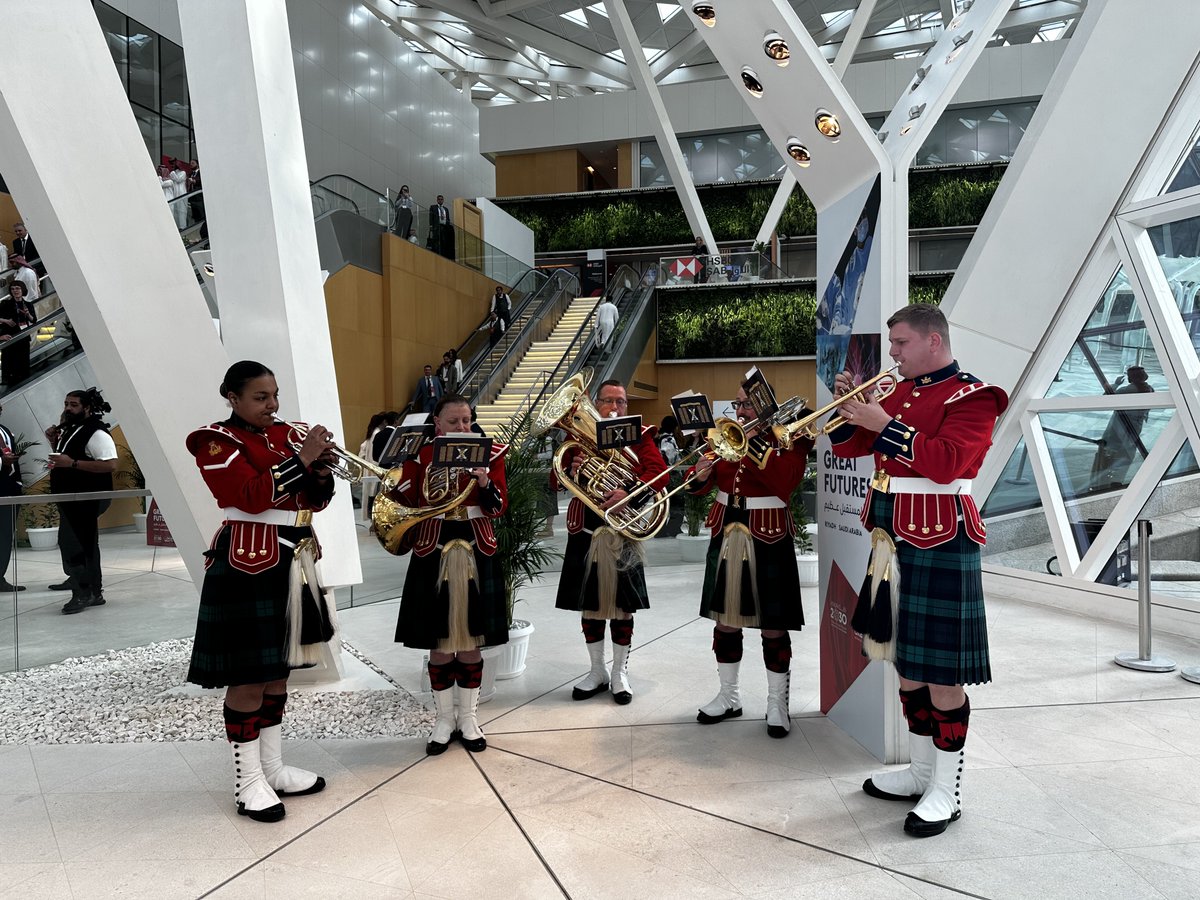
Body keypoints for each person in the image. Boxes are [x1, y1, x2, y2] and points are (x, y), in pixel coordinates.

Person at [830, 304, 1008, 838]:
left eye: (901, 343)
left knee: (942, 675)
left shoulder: (975, 397)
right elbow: (855, 448)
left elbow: (947, 462)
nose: (893, 353)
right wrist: (850, 415)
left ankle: (947, 792)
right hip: (891, 538)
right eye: (893, 344)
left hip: (942, 539)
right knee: (906, 664)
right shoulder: (898, 393)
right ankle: (921, 772)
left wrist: (883, 422)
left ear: (934, 341)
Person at [185, 361, 338, 823]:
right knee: (248, 675)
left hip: (294, 556)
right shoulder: (213, 440)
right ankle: (247, 780)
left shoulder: (285, 435)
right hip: (247, 562)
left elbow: (316, 500)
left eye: (274, 395)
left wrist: (321, 468)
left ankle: (271, 768)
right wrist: (303, 460)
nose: (271, 405)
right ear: (231, 397)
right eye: (259, 397)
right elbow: (250, 496)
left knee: (278, 671)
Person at [686, 381, 813, 738]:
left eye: (747, 405)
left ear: (767, 406)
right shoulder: (725, 438)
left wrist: (752, 444)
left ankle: (777, 703)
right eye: (737, 405)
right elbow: (699, 484)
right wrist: (699, 475)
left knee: (773, 622)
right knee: (725, 620)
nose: (740, 412)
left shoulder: (791, 435)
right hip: (726, 529)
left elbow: (785, 481)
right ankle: (729, 696)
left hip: (769, 533)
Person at [392, 393, 508, 755]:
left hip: (476, 547)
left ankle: (469, 717)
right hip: (433, 547)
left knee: (472, 641)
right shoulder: (419, 456)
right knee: (438, 643)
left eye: (467, 421)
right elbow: (403, 503)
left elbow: (500, 507)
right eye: (454, 421)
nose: (463, 427)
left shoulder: (492, 453)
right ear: (437, 424)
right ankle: (444, 718)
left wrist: (486, 484)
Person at [554, 379, 667, 705]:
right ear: (595, 402)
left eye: (622, 402)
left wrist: (629, 492)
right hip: (586, 530)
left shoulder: (641, 434)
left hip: (622, 529)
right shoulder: (576, 435)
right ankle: (596, 670)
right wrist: (573, 468)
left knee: (623, 607)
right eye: (609, 401)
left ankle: (619, 672)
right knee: (590, 605)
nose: (616, 408)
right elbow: (554, 477)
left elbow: (659, 473)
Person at [46, 388, 120, 614]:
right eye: (66, 403)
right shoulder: (71, 429)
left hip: (87, 498)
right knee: (81, 542)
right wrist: (53, 443)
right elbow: (67, 459)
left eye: (74, 404)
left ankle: (84, 591)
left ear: (87, 408)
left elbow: (110, 464)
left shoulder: (96, 432)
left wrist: (72, 464)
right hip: (72, 498)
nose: (68, 408)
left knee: (73, 543)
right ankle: (89, 588)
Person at [1091, 365, 1155, 488]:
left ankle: (1103, 480)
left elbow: (1105, 398)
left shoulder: (1125, 390)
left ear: (1131, 378)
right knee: (1127, 453)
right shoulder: (1150, 389)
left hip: (1118, 427)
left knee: (1109, 451)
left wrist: (1115, 384)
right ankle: (1118, 479)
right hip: (1135, 427)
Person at [0, 402, 25, 592]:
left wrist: (17, 483)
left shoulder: (5, 431)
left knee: (4, 536)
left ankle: (0, 577)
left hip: (9, 488)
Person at [0, 278, 35, 385]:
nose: (15, 291)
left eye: (18, 288)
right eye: (13, 289)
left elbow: (34, 320)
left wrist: (27, 314)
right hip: (9, 337)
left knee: (23, 361)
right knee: (9, 360)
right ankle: (8, 379)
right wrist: (5, 320)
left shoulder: (28, 304)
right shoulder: (5, 303)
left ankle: (23, 378)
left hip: (23, 337)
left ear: (22, 290)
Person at [429, 194, 453, 260]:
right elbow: (431, 217)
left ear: (443, 200)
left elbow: (448, 219)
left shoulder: (446, 209)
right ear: (437, 200)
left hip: (444, 227)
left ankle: (443, 255)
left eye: (441, 199)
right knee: (437, 241)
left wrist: (447, 226)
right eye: (439, 199)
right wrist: (431, 226)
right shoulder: (433, 207)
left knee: (444, 241)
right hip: (437, 226)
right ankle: (437, 254)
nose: (440, 200)